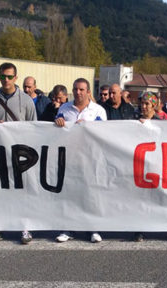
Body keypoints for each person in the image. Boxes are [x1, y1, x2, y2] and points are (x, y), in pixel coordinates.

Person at [0, 62, 37, 244]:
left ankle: (25, 227)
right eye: (3, 76)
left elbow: (33, 128)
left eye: (9, 76)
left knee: (21, 191)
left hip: (20, 153)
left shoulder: (25, 100)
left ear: (16, 78)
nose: (6, 80)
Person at [54, 78, 107, 243]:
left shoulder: (98, 110)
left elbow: (104, 133)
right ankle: (68, 228)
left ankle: (93, 228)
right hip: (70, 157)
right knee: (69, 193)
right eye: (75, 89)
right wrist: (58, 122)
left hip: (91, 158)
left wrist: (88, 127)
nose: (78, 92)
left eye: (82, 89)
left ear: (88, 91)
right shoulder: (64, 108)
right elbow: (55, 130)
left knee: (91, 193)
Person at [131, 91, 167, 242]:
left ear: (154, 106)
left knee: (164, 197)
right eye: (142, 103)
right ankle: (139, 230)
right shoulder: (132, 121)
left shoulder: (161, 122)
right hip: (139, 166)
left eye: (147, 104)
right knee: (141, 198)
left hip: (158, 165)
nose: (143, 106)